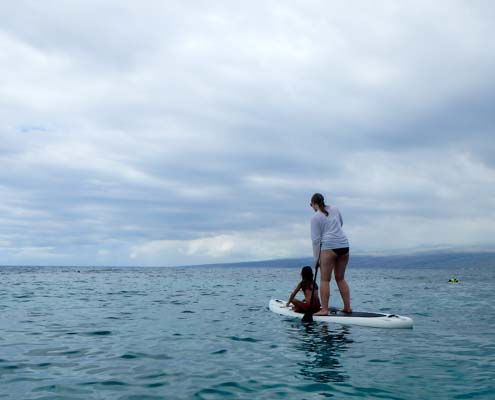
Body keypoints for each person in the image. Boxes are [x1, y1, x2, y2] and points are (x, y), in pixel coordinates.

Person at [310, 193, 352, 315]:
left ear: (313, 204)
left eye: (311, 205)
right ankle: (347, 307)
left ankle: (324, 310)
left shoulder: (315, 218)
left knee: (325, 280)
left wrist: (316, 259)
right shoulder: (335, 209)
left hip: (329, 247)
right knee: (340, 278)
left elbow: (316, 240)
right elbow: (341, 224)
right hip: (344, 245)